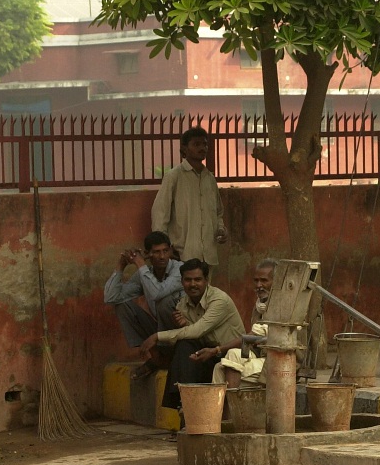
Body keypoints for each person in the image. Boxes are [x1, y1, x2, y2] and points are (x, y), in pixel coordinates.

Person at [139, 258, 245, 410]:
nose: (193, 284)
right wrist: (184, 325)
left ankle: (184, 405)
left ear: (206, 281)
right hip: (207, 352)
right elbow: (192, 333)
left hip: (229, 353)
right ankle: (183, 403)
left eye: (197, 280)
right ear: (182, 281)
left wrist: (157, 336)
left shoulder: (219, 299)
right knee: (184, 346)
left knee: (186, 344)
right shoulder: (183, 303)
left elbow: (197, 331)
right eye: (188, 280)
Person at [104, 231, 184, 379]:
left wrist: (140, 264)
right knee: (122, 306)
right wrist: (120, 266)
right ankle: (157, 357)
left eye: (165, 251)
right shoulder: (146, 273)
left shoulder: (179, 270)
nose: (162, 257)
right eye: (156, 252)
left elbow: (157, 294)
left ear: (171, 251)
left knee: (164, 301)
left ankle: (162, 359)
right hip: (159, 333)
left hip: (184, 332)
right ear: (148, 254)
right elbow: (111, 298)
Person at [151, 126, 228, 267]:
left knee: (207, 289)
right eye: (196, 144)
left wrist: (221, 229)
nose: (202, 148)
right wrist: (164, 248)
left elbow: (218, 212)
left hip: (208, 255)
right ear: (185, 149)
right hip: (181, 254)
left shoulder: (209, 179)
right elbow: (160, 213)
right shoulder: (174, 176)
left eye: (204, 144)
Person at [208, 259, 276, 388]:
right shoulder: (259, 306)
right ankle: (221, 407)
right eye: (256, 280)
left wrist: (217, 350)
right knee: (220, 366)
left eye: (264, 280)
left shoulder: (281, 305)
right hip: (260, 356)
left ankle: (232, 406)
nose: (259, 285)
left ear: (276, 282)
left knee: (230, 361)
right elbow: (254, 340)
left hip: (277, 362)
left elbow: (253, 335)